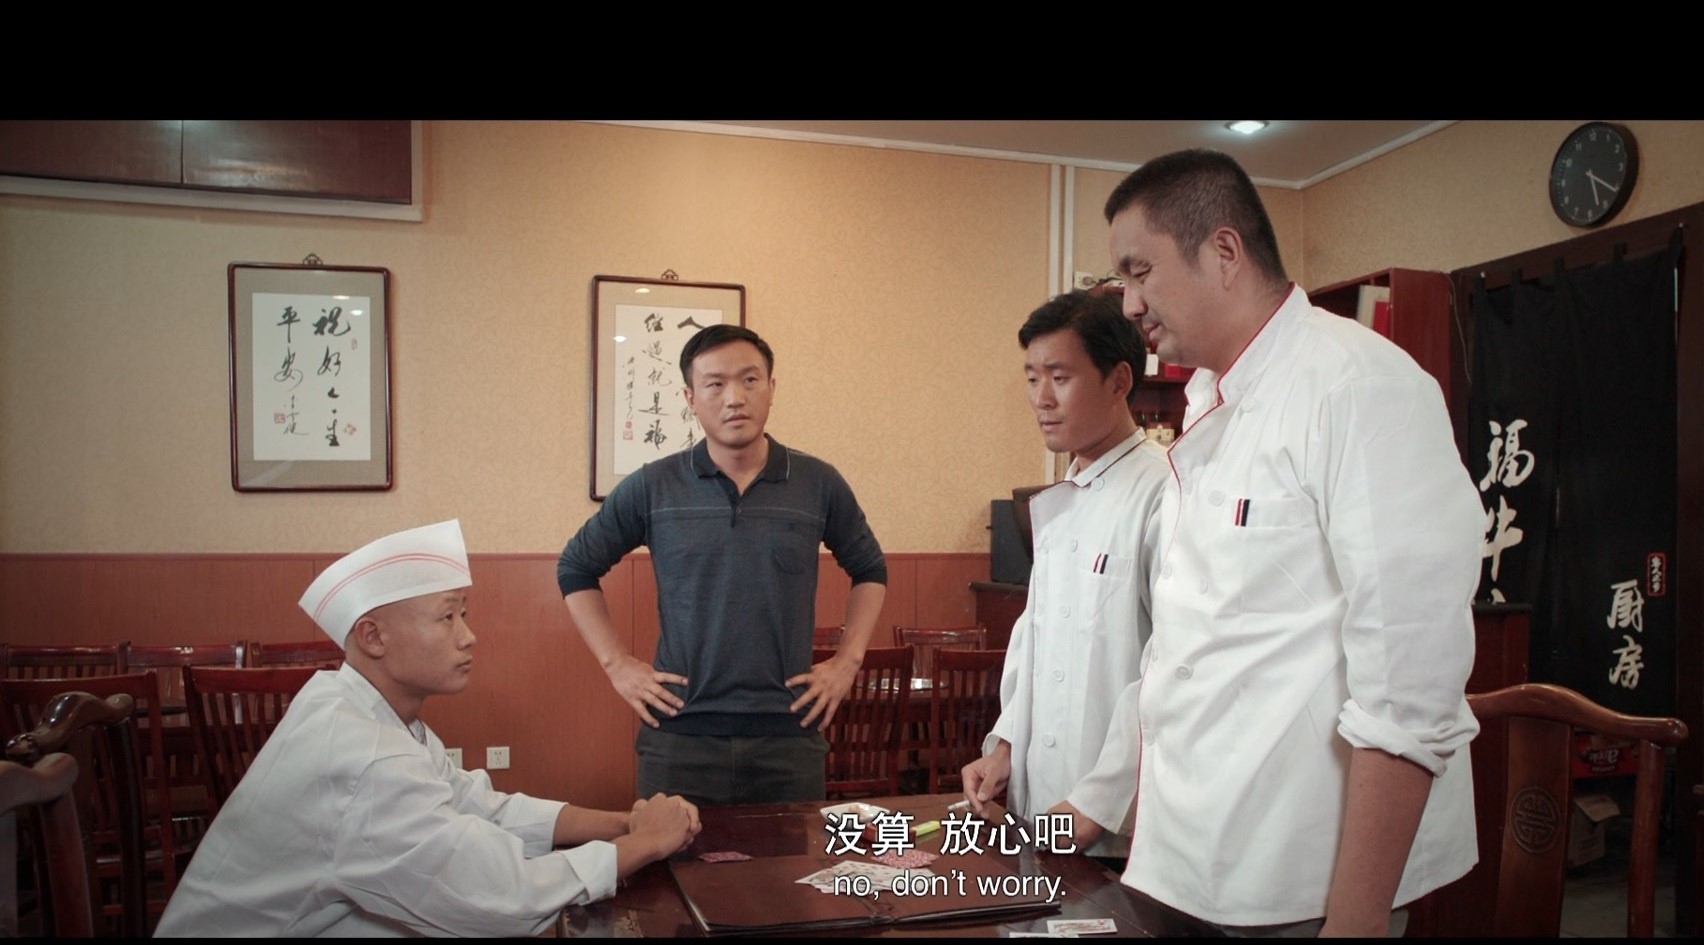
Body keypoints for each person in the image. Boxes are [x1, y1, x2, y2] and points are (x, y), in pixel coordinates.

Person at [1102, 150, 1482, 936]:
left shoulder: (1359, 385)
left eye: (1140, 272)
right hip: (1195, 855)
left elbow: (1411, 678)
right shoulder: (1210, 398)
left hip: (1305, 874)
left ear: (1224, 251)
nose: (1129, 302)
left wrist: (1357, 916)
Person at [156, 520, 702, 937]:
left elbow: (479, 807)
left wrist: (621, 823)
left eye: (464, 614)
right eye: (447, 616)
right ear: (373, 636)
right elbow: (500, 896)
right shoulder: (361, 753)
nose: (468, 636)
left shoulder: (363, 709)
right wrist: (646, 842)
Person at [557, 324, 887, 807]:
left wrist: (847, 661)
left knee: (789, 859)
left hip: (788, 736)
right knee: (668, 856)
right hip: (678, 736)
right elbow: (575, 568)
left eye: (750, 380)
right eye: (715, 384)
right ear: (690, 398)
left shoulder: (818, 482)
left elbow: (870, 569)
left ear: (772, 387)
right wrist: (617, 665)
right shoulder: (653, 486)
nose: (735, 398)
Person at [959, 290, 1167, 865]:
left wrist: (1096, 804)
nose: (1041, 399)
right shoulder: (1061, 499)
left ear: (1119, 380)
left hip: (1117, 828)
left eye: (1060, 377)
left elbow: (1172, 666)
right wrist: (1005, 748)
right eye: (1032, 379)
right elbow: (1036, 641)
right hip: (1041, 809)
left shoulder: (1162, 490)